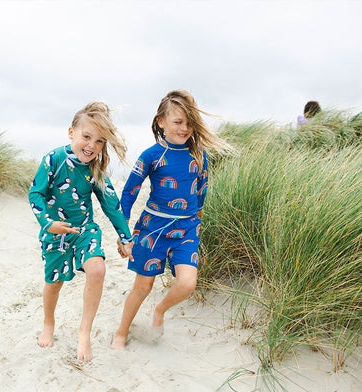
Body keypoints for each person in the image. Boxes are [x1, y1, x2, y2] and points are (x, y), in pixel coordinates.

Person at [111, 90, 232, 350]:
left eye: (189, 123)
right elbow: (129, 193)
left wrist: (195, 218)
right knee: (142, 286)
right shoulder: (151, 155)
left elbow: (203, 189)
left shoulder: (198, 154)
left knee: (188, 283)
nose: (185, 128)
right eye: (178, 122)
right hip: (152, 229)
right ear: (161, 122)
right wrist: (124, 235)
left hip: (186, 228)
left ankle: (160, 310)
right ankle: (121, 331)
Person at [29, 101, 134, 363]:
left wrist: (125, 238)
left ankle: (84, 332)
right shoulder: (52, 159)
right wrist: (47, 223)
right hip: (55, 232)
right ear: (71, 133)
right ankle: (49, 323)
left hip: (85, 229)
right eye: (87, 137)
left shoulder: (96, 168)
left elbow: (111, 204)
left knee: (97, 270)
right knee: (54, 284)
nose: (91, 146)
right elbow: (35, 194)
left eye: (99, 141)